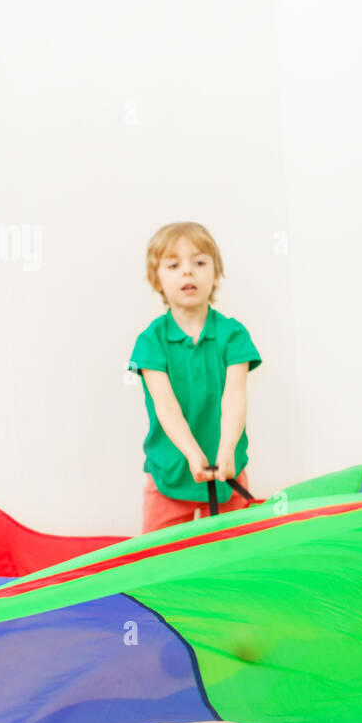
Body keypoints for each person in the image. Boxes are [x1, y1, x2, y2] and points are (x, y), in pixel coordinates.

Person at [128, 221, 262, 534]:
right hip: (169, 472)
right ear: (157, 279)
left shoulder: (233, 335)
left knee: (233, 557)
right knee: (157, 564)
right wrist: (192, 454)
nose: (188, 272)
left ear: (215, 274)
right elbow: (166, 407)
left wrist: (227, 449)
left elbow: (234, 398)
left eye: (199, 263)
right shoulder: (151, 340)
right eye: (174, 265)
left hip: (227, 469)